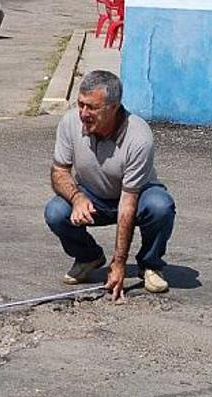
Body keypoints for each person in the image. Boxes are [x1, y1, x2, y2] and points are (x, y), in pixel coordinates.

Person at [44, 71, 176, 302]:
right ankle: (88, 257)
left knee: (160, 206)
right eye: (81, 104)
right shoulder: (70, 122)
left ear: (113, 107)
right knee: (55, 212)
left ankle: (150, 265)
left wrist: (119, 263)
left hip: (136, 195)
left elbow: (128, 201)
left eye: (92, 108)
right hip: (92, 194)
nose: (83, 113)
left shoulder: (138, 136)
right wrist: (76, 198)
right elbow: (59, 171)